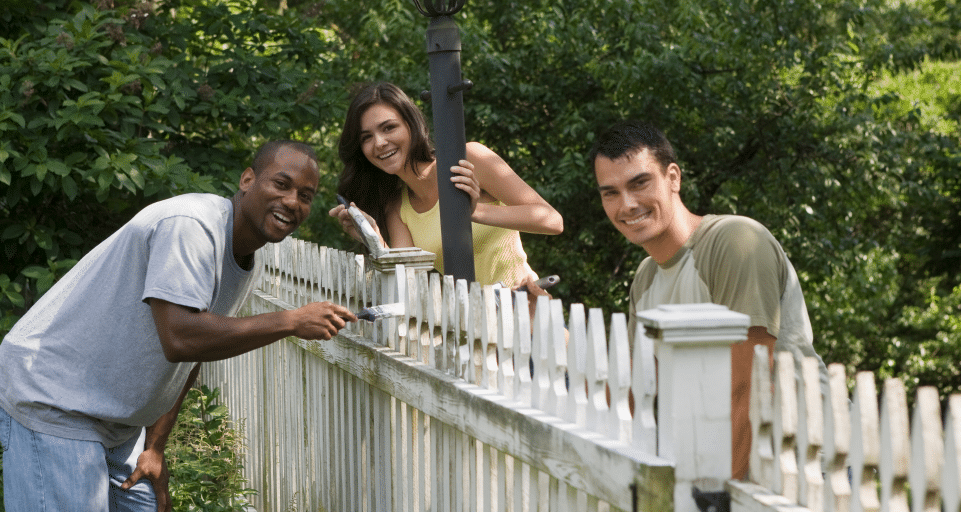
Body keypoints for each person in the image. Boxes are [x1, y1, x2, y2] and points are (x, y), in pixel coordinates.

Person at [0, 140, 357, 512]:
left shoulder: (247, 254)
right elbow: (181, 337)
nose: (292, 201)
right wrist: (290, 321)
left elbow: (198, 347)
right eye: (282, 184)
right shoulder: (192, 225)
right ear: (248, 180)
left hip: (110, 419)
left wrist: (155, 446)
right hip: (53, 398)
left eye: (305, 196)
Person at [590, 119, 827, 481]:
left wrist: (718, 494)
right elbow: (636, 389)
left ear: (673, 178)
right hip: (734, 467)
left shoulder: (735, 241)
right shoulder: (646, 277)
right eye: (611, 192)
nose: (627, 204)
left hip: (809, 464)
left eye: (640, 183)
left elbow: (751, 384)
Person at [328, 82, 563, 291]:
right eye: (366, 137)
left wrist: (473, 211)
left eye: (389, 128)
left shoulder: (467, 158)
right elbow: (405, 282)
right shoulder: (397, 206)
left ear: (411, 125)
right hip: (473, 332)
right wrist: (373, 239)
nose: (379, 143)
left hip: (528, 315)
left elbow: (552, 221)